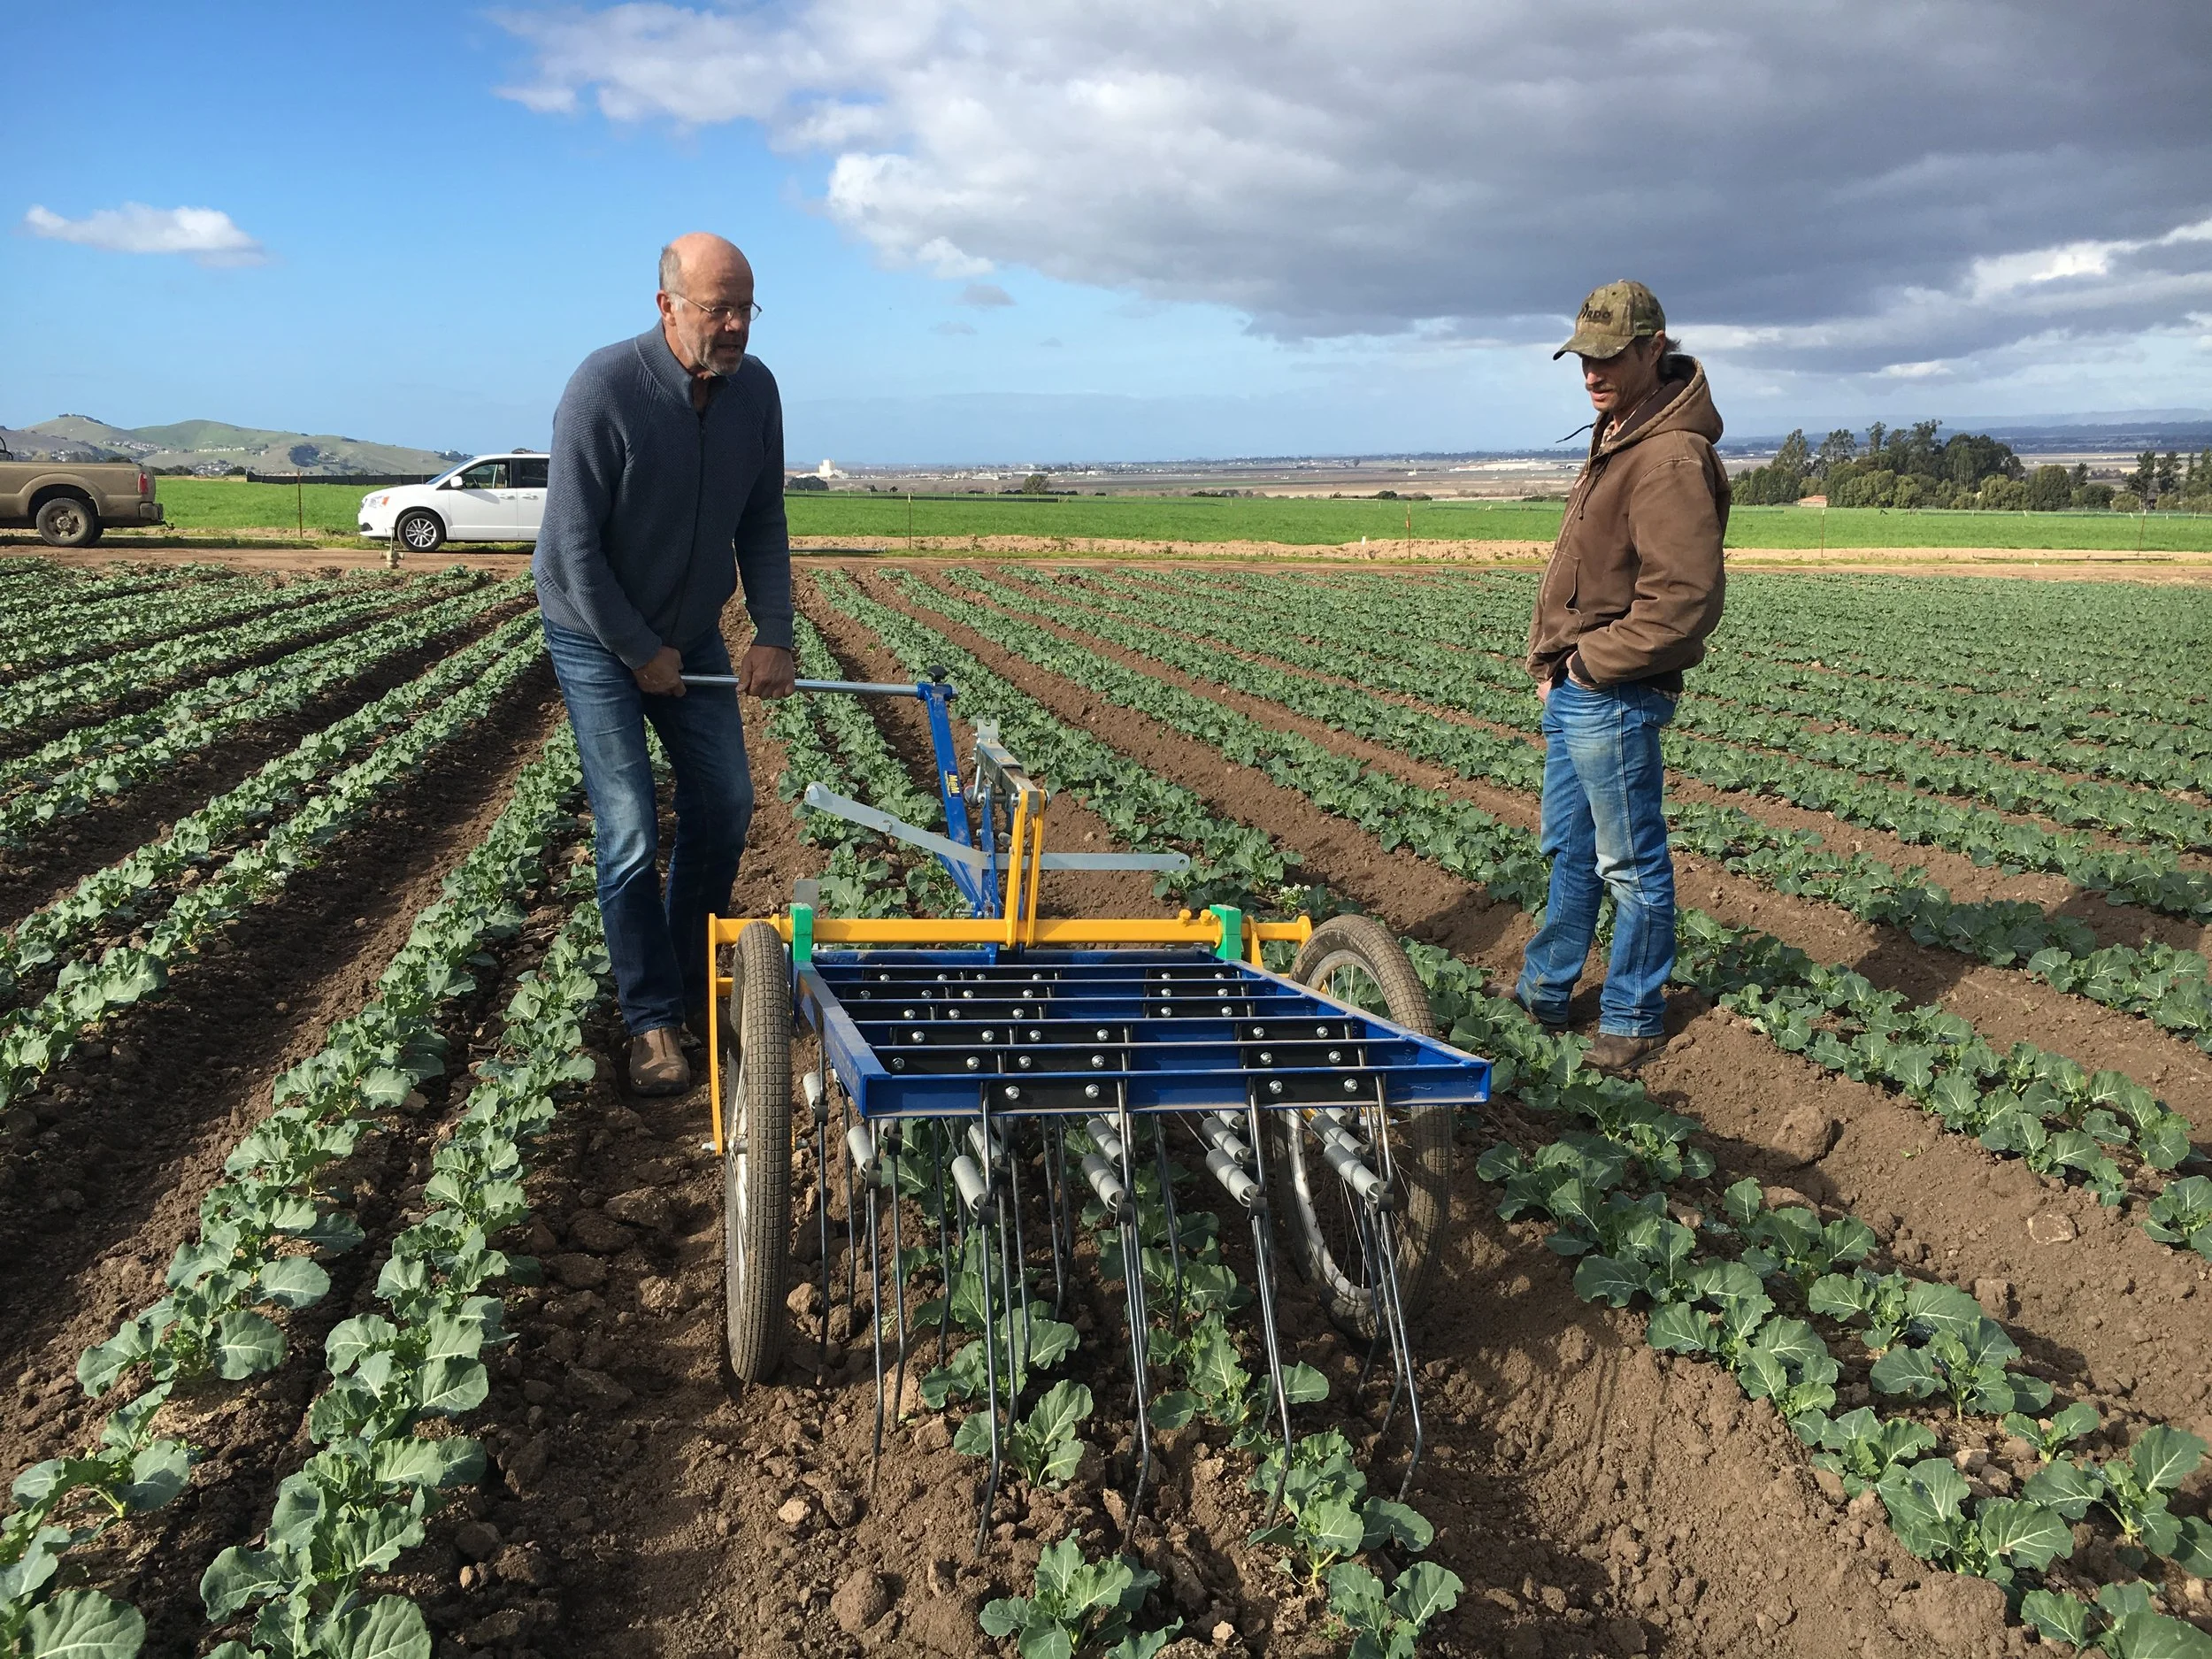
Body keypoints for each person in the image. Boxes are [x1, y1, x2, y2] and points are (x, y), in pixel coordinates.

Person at [534, 232, 796, 1094]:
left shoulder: (754, 395)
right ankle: (650, 1021)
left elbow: (761, 520)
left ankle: (692, 982)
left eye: (744, 308)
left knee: (725, 802)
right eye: (715, 308)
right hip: (593, 633)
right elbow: (571, 548)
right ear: (667, 306)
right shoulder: (603, 389)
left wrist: (773, 629)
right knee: (631, 827)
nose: (732, 326)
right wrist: (638, 652)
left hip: (691, 629)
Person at [1517, 280, 1728, 1073]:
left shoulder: (1669, 454)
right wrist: (1556, 667)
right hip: (1579, 691)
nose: (1591, 372)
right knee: (1568, 848)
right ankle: (1544, 989)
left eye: (1609, 356)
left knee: (1628, 863)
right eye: (1582, 357)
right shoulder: (1622, 432)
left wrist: (1587, 664)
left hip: (1614, 692)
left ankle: (1634, 1013)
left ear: (1652, 349)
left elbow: (1684, 600)